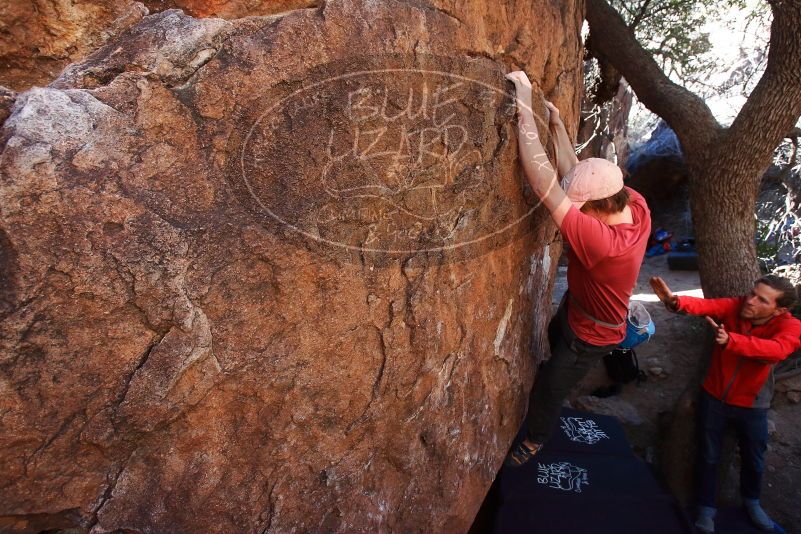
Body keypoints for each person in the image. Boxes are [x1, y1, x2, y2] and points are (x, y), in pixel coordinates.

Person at [503, 71, 651, 466]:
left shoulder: (603, 244)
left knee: (551, 387)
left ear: (597, 210)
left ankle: (534, 440)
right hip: (579, 305)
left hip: (590, 335)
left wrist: (523, 101)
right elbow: (577, 174)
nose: (577, 210)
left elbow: (544, 182)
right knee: (554, 336)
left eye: (582, 207)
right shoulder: (635, 206)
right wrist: (556, 125)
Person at [650, 274, 801, 533]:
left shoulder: (791, 326)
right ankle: (706, 509)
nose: (750, 301)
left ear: (780, 310)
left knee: (754, 459)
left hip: (753, 405)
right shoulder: (738, 305)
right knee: (708, 456)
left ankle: (752, 503)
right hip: (715, 397)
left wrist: (733, 341)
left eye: (761, 299)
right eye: (752, 293)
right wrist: (675, 302)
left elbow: (777, 350)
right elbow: (707, 306)